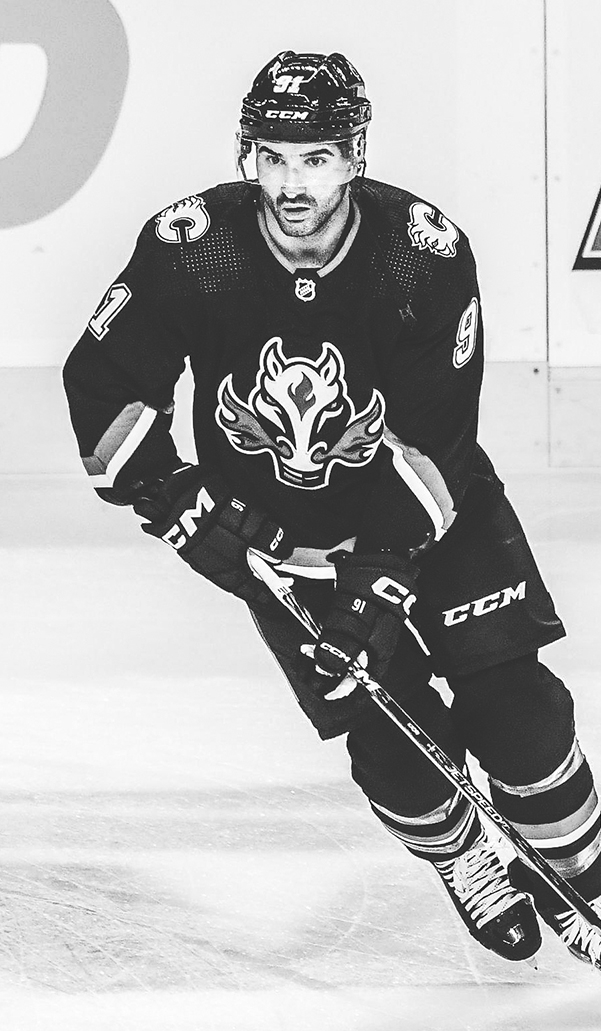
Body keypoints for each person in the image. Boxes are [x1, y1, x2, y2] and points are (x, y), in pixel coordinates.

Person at [63, 50, 601, 968]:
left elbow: (436, 438)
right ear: (248, 156)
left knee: (518, 713)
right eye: (273, 157)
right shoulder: (195, 249)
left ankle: (581, 871)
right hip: (283, 541)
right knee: (392, 740)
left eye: (313, 158)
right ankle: (465, 853)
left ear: (354, 155)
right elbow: (100, 380)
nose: (290, 182)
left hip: (434, 510)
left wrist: (382, 576)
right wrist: (179, 500)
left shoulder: (418, 254)